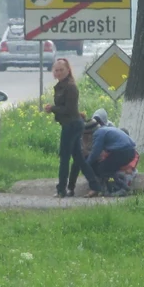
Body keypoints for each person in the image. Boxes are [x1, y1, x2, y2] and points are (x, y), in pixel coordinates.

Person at [44, 58, 102, 198]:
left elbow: (69, 109)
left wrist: (52, 108)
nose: (58, 73)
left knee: (64, 158)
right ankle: (95, 186)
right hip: (71, 124)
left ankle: (61, 190)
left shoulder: (70, 86)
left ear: (68, 70)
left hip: (72, 125)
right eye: (56, 70)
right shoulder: (60, 85)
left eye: (61, 70)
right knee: (79, 159)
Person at [66, 108, 115, 196]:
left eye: (89, 134)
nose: (88, 136)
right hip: (90, 158)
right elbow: (82, 152)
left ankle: (104, 186)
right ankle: (70, 188)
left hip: (101, 159)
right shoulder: (81, 135)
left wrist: (87, 161)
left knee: (106, 172)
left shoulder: (100, 133)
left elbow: (100, 151)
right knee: (76, 163)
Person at [86, 125, 137, 194]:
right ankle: (117, 187)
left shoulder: (98, 133)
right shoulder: (105, 130)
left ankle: (123, 187)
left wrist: (86, 164)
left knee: (102, 169)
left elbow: (95, 152)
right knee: (109, 172)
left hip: (123, 152)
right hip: (129, 151)